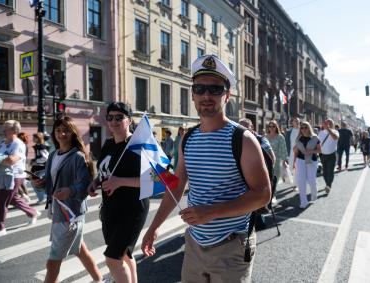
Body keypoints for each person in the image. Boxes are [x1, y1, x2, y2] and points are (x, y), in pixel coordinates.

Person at [142, 55, 271, 282]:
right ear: (192, 94)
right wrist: (153, 226)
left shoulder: (243, 139)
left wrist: (211, 212)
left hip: (232, 247)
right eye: (199, 88)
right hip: (194, 244)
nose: (206, 95)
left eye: (215, 89)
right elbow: (177, 185)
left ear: (227, 95)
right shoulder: (188, 139)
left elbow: (262, 195)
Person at [32, 116, 102, 282]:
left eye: (66, 130)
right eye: (58, 130)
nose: (62, 134)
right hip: (58, 210)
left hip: (71, 213)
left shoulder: (77, 156)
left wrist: (70, 191)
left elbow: (85, 184)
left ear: (72, 133)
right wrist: (41, 183)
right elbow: (51, 182)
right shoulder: (53, 155)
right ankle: (99, 280)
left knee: (52, 263)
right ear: (54, 133)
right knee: (80, 251)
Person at [87, 102, 150, 282]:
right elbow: (105, 171)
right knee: (124, 255)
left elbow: (156, 179)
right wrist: (96, 181)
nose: (114, 121)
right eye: (110, 117)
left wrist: (120, 182)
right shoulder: (108, 144)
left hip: (132, 209)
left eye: (119, 117)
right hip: (110, 208)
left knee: (112, 259)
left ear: (129, 120)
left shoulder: (138, 145)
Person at [0, 120, 40, 239]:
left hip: (14, 176)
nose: (3, 131)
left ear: (14, 131)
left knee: (0, 201)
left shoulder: (18, 144)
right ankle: (33, 213)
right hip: (2, 175)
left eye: (6, 128)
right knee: (13, 199)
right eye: (3, 128)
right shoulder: (2, 143)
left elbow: (12, 160)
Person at [293, 121, 321, 209]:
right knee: (301, 181)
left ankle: (314, 194)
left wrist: (311, 151)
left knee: (311, 180)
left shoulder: (315, 137)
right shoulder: (298, 138)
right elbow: (296, 152)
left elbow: (319, 150)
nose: (304, 129)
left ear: (309, 128)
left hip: (312, 161)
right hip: (300, 160)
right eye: (302, 128)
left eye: (305, 127)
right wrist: (294, 161)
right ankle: (303, 202)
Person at [266, 120, 287, 202]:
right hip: (266, 161)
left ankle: (273, 195)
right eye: (270, 126)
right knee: (267, 180)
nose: (271, 128)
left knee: (274, 179)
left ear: (276, 127)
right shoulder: (265, 137)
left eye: (273, 126)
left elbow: (283, 149)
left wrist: (284, 160)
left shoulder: (280, 137)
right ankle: (268, 197)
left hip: (276, 162)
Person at [318, 119, 339, 194]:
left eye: (330, 123)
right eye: (327, 123)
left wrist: (329, 130)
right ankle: (327, 183)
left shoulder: (335, 131)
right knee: (325, 172)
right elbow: (318, 143)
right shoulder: (320, 133)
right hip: (323, 155)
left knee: (330, 171)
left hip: (332, 154)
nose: (328, 124)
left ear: (332, 124)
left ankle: (328, 185)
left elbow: (335, 138)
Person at [31, 132, 50, 203]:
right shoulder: (38, 146)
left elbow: (45, 157)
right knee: (36, 182)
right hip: (39, 167)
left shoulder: (41, 146)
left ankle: (42, 198)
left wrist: (36, 161)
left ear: (38, 138)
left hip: (42, 167)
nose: (33, 139)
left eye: (34, 138)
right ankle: (44, 197)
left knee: (36, 183)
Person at [17, 132, 31, 203]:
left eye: (18, 137)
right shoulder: (25, 146)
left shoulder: (21, 146)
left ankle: (24, 195)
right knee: (21, 182)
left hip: (19, 165)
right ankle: (26, 196)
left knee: (17, 182)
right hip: (22, 165)